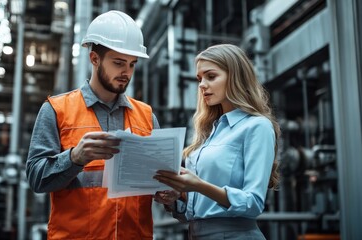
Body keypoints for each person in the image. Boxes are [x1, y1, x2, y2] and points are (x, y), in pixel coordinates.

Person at [26, 10, 160, 239]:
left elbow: (158, 183)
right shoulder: (57, 110)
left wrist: (171, 193)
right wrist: (74, 158)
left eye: (132, 64)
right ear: (94, 58)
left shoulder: (146, 116)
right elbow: (36, 179)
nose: (126, 73)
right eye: (118, 63)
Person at [153, 44, 281, 239]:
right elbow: (198, 208)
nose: (202, 84)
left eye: (211, 76)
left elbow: (253, 203)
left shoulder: (257, 126)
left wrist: (198, 185)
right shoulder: (209, 133)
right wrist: (178, 197)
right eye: (199, 79)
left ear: (235, 76)